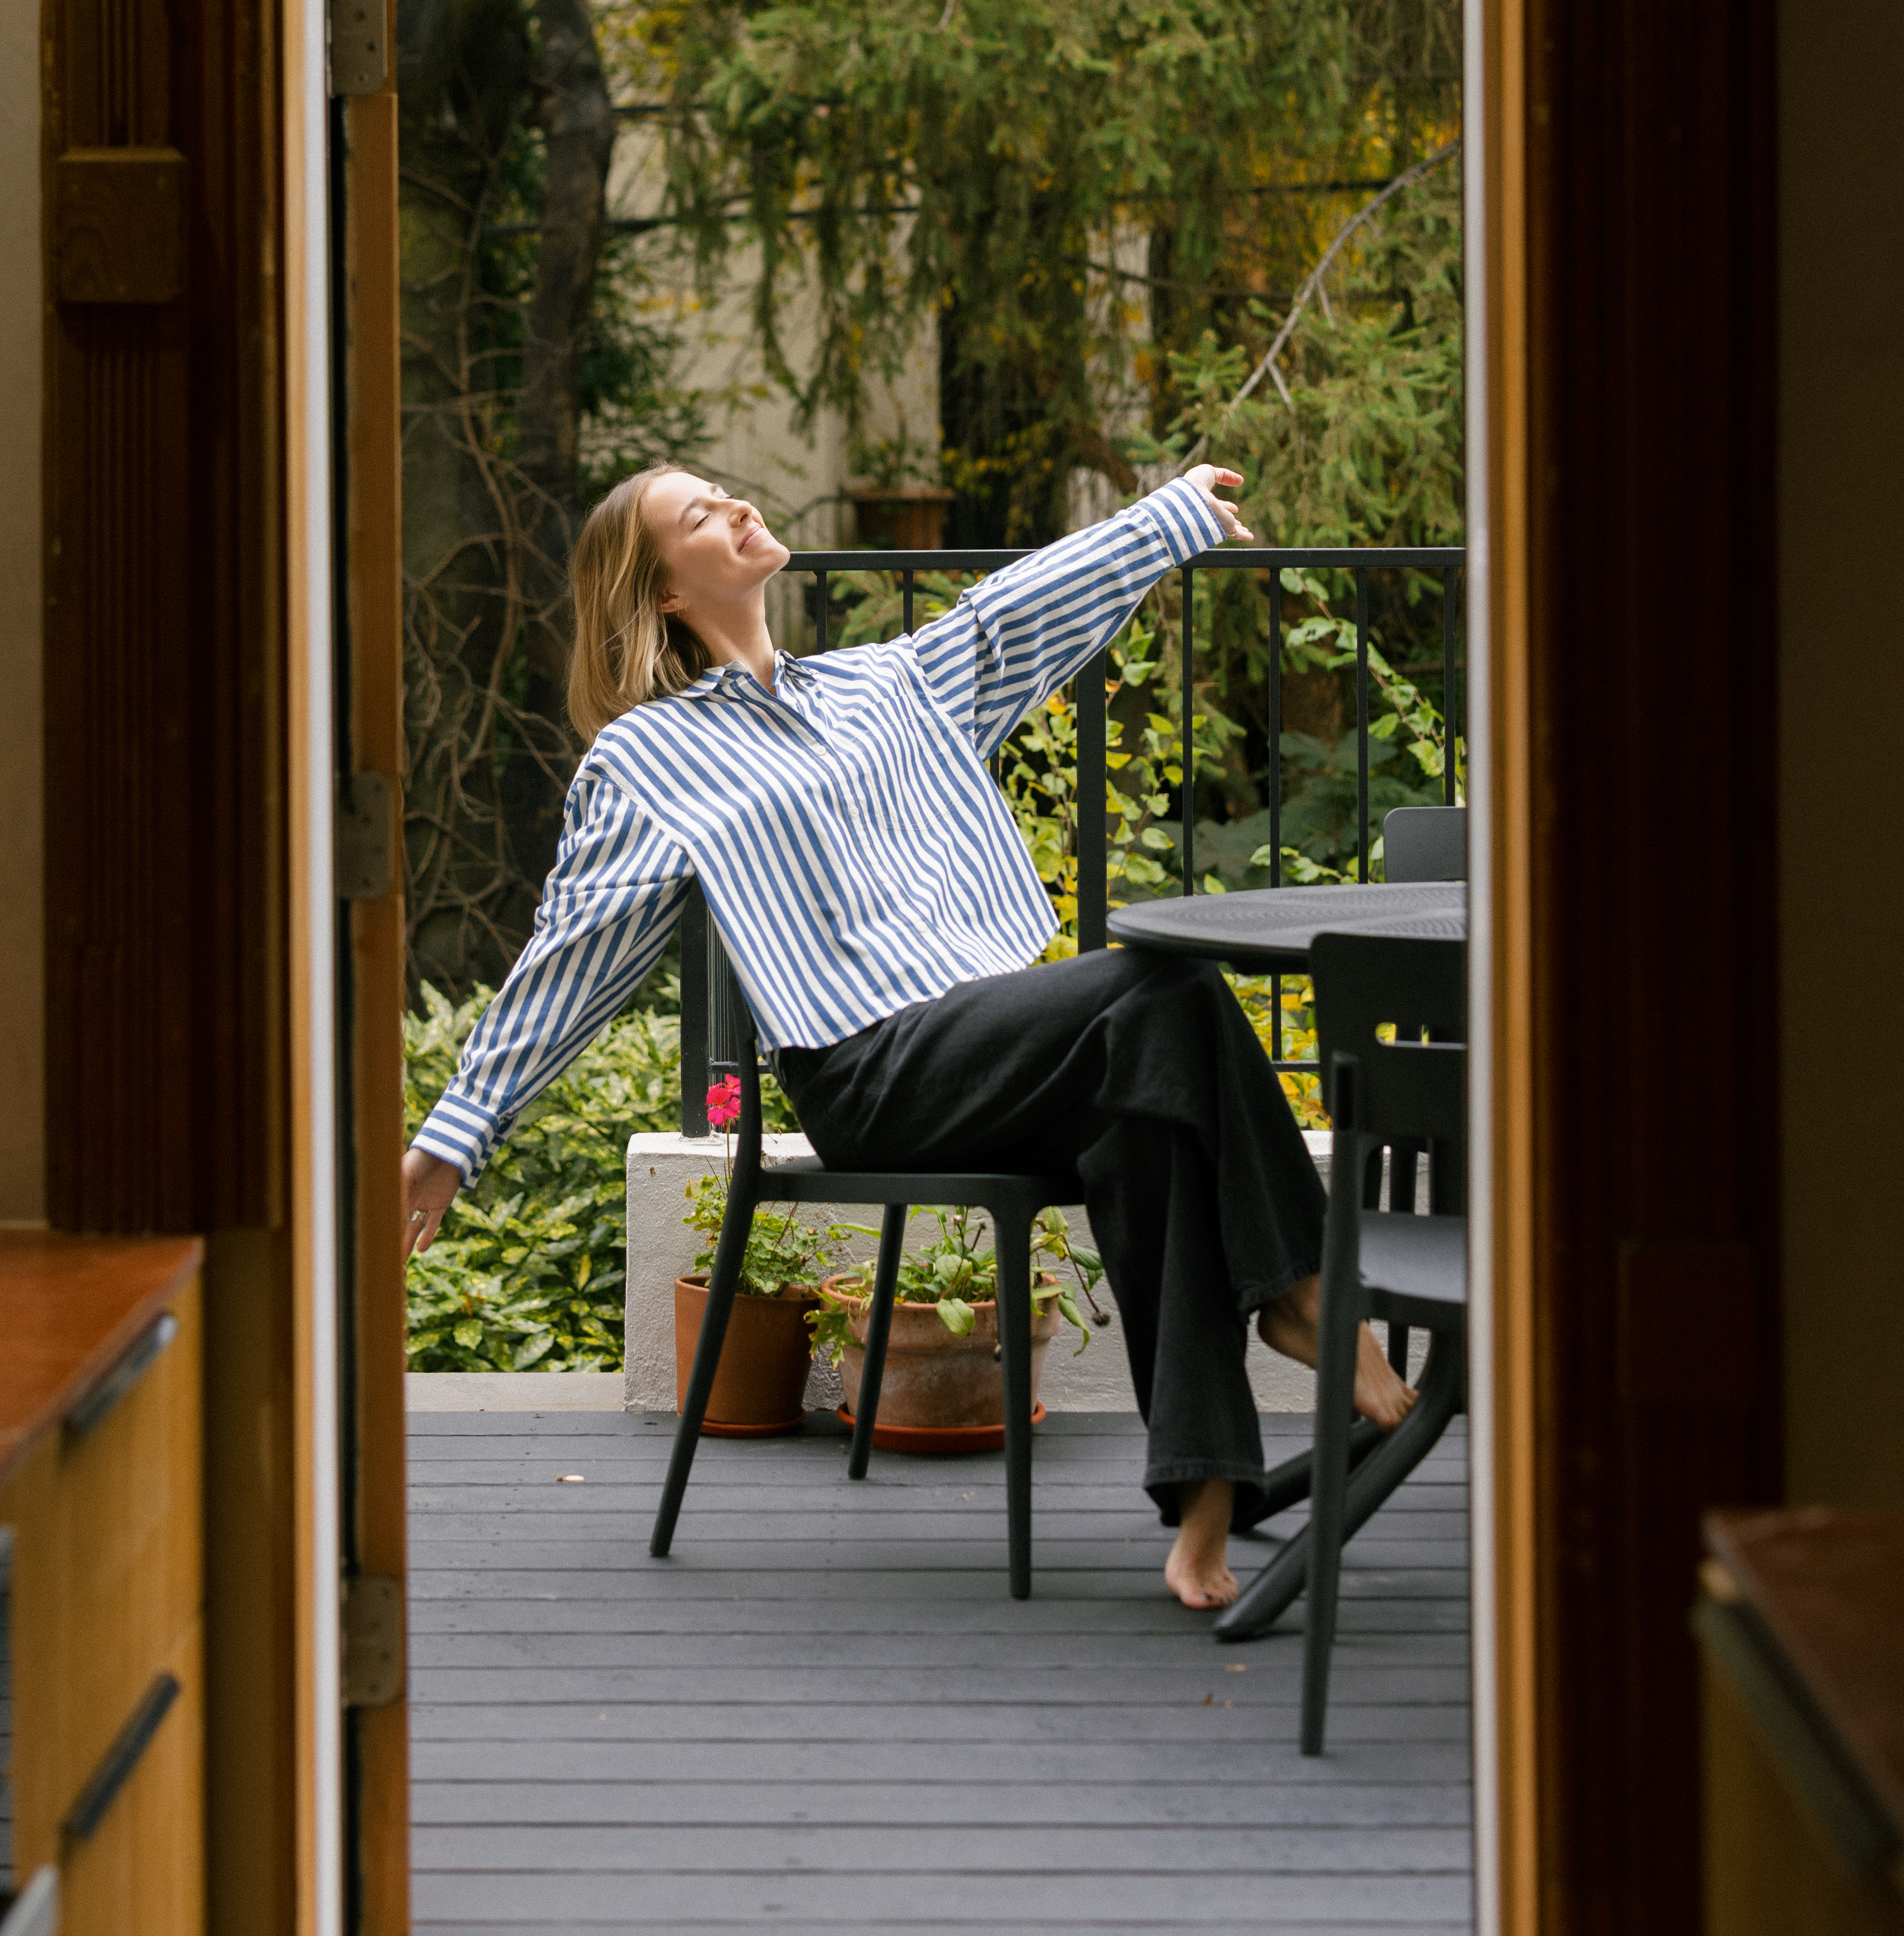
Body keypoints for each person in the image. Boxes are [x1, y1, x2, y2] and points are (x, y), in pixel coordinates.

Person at [401, 465, 1412, 1610]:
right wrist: (453, 1140)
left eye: (729, 493)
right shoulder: (645, 761)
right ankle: (1308, 1296)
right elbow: (573, 958)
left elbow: (1009, 619)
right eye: (700, 515)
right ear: (660, 591)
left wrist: (1164, 520)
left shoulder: (884, 683)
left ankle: (1203, 1504)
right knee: (1164, 988)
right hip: (868, 1069)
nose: (738, 506)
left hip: (982, 1051)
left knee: (1155, 1118)